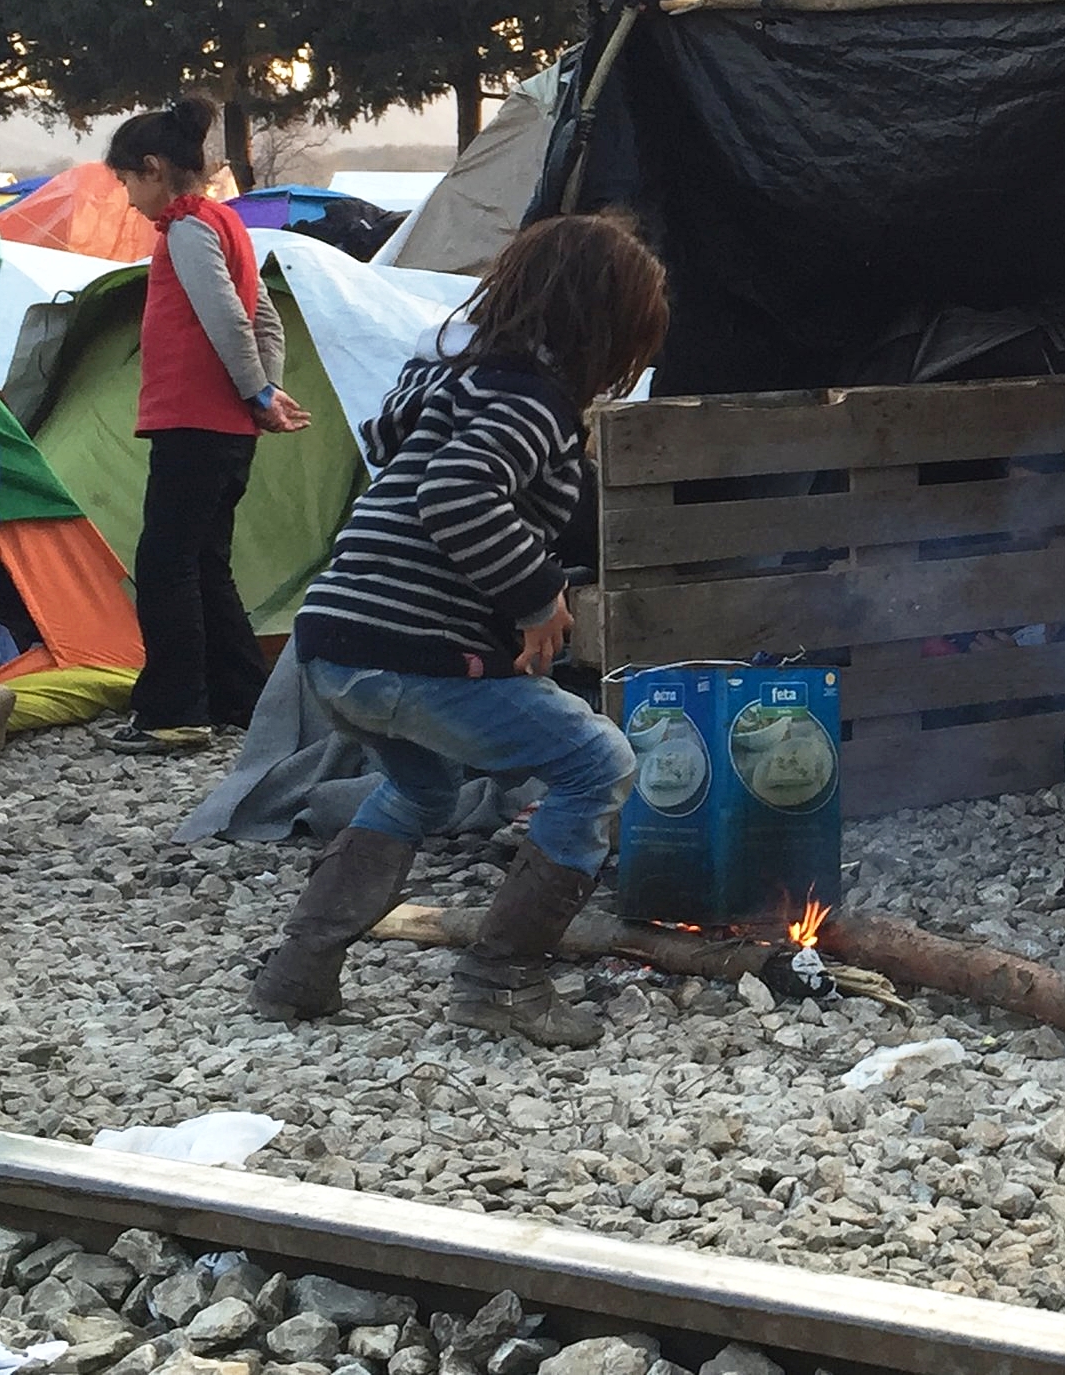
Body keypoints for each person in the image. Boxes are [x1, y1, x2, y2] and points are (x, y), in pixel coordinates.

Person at [248, 213, 668, 1047]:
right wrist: (537, 593)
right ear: (600, 323)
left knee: (422, 788)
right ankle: (503, 982)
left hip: (331, 638)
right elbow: (457, 493)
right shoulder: (532, 396)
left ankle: (299, 968)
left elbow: (394, 448)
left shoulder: (446, 376)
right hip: (409, 649)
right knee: (597, 760)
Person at [100, 97, 310, 755]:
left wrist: (257, 392)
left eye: (128, 182)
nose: (130, 200)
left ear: (154, 169)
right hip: (226, 430)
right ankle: (241, 698)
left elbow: (226, 314)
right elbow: (263, 316)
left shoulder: (187, 227)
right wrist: (263, 392)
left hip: (193, 423)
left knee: (164, 563)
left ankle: (172, 712)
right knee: (205, 562)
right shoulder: (227, 222)